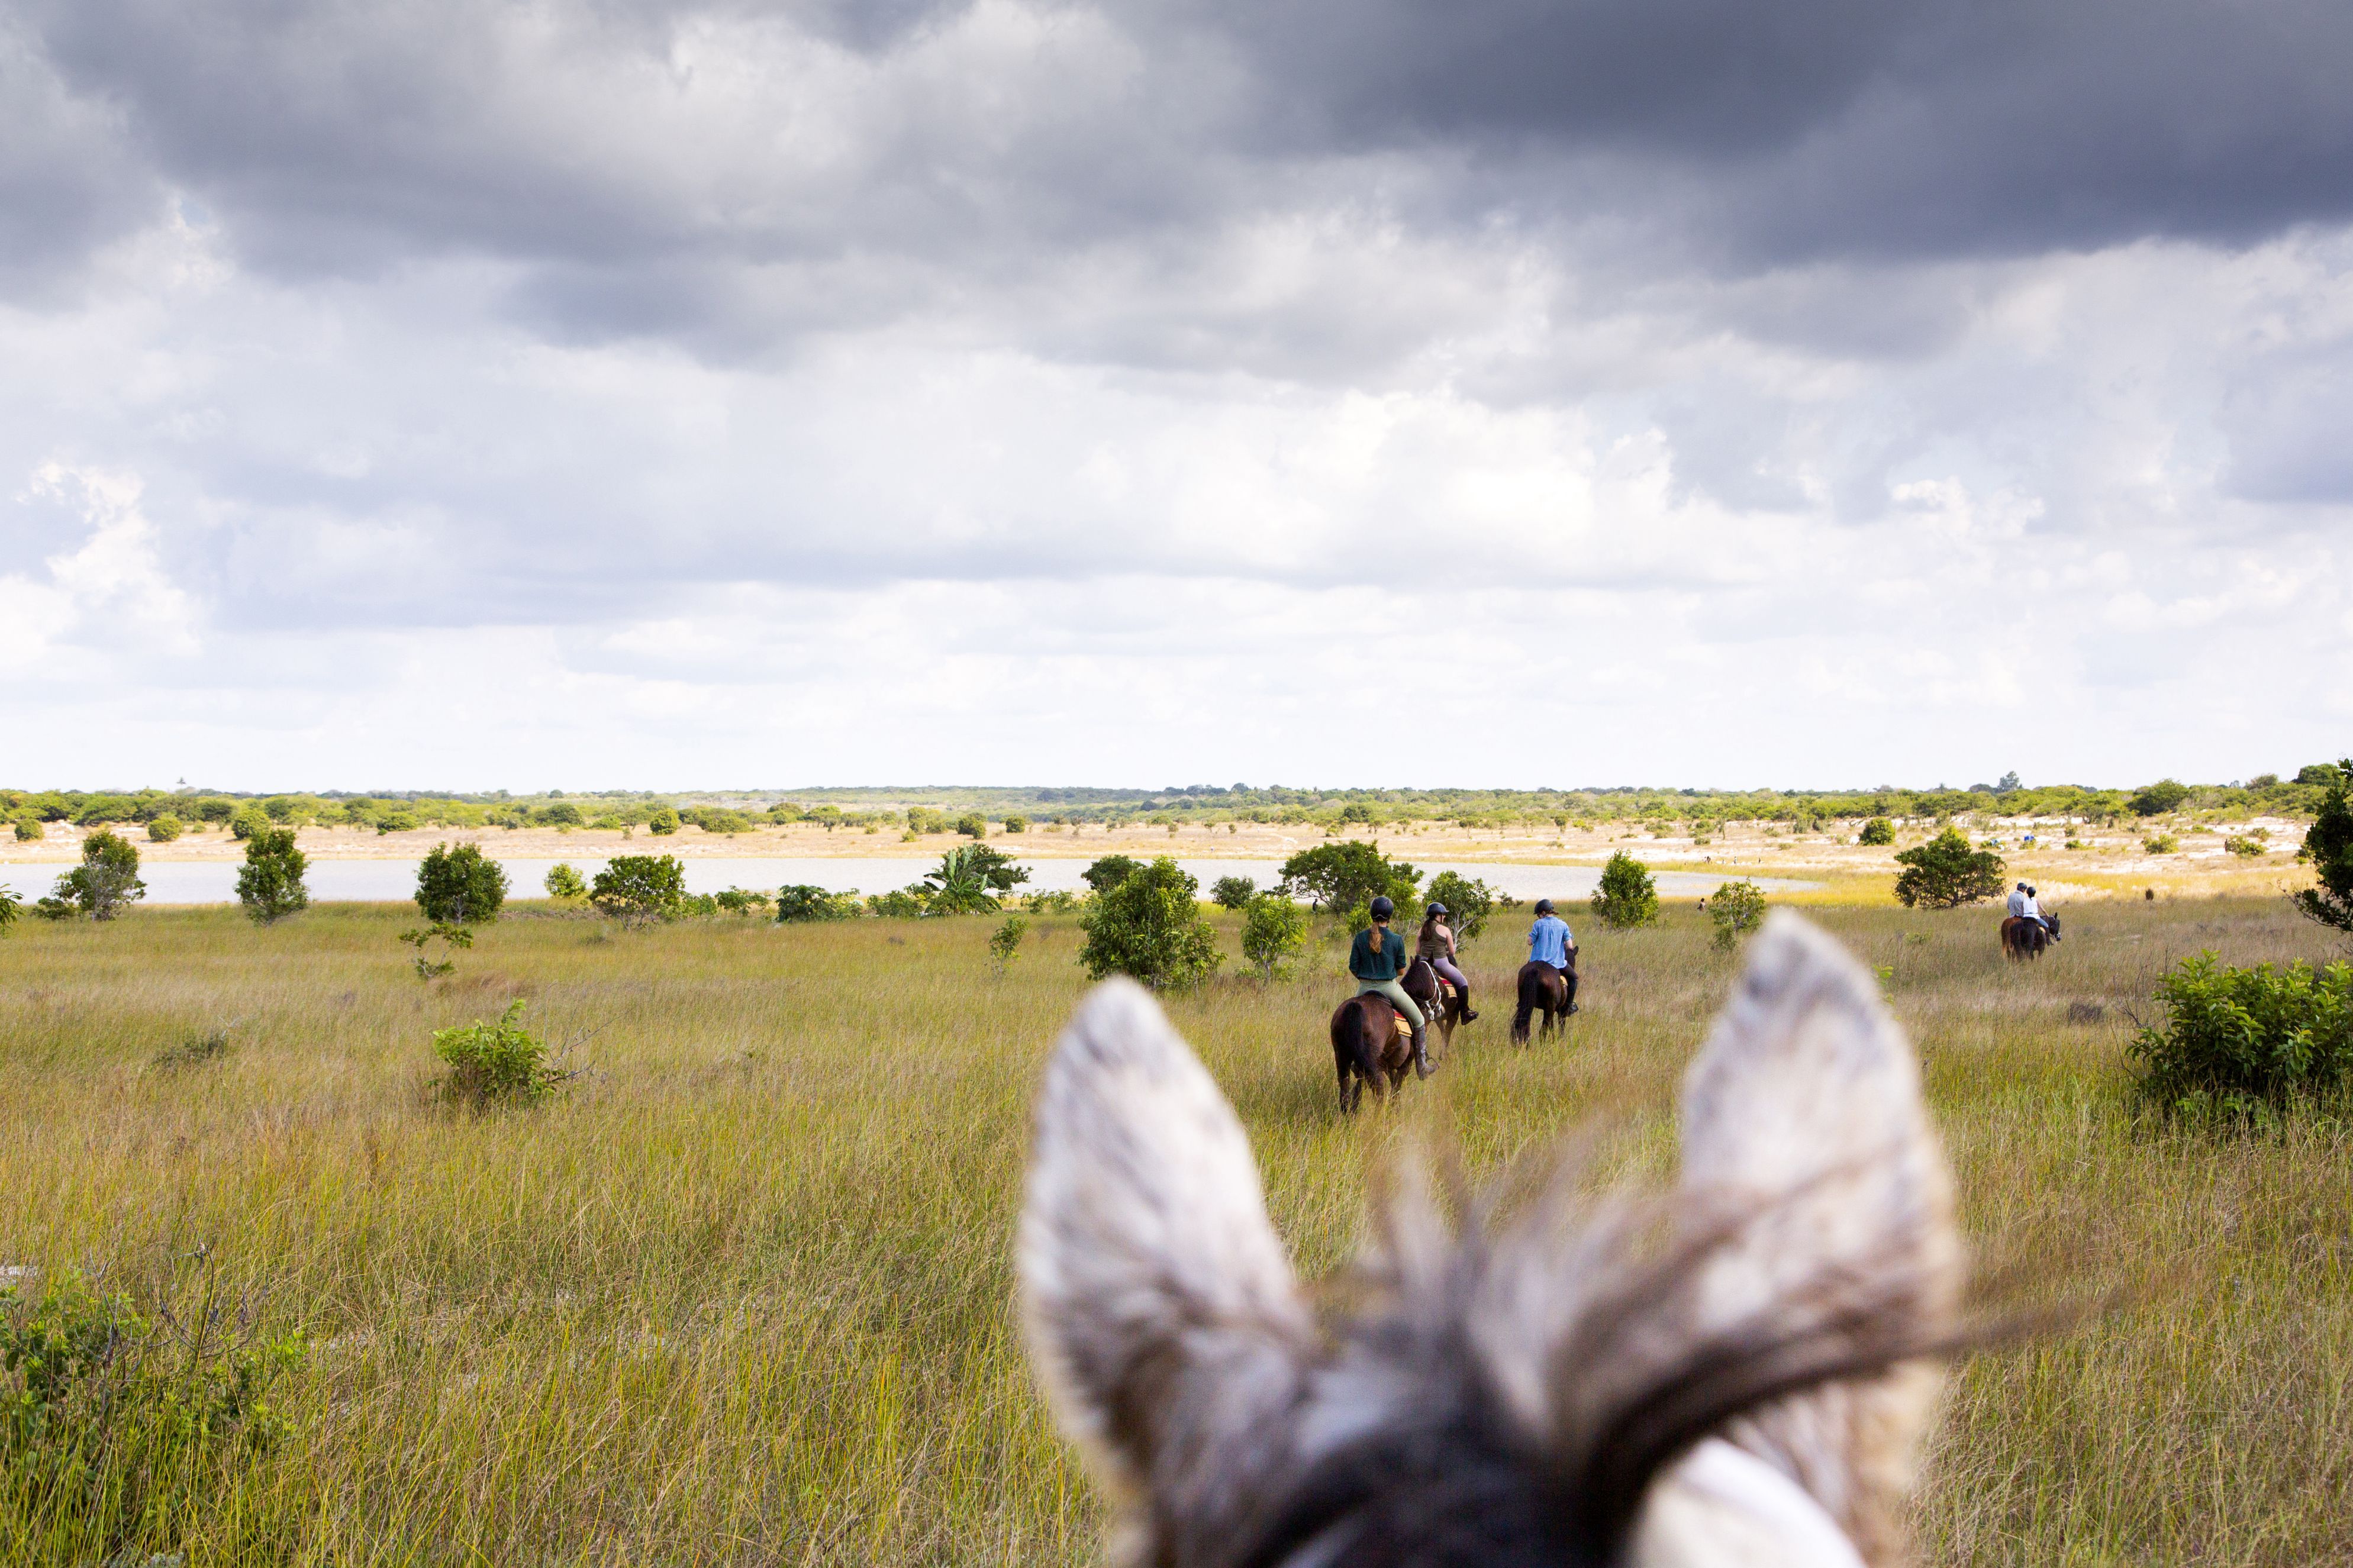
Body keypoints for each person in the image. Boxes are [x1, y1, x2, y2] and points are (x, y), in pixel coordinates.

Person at [1350, 895, 1433, 1079]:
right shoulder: (1396, 939)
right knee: (1419, 1020)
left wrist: (1367, 979)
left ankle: (1355, 1064)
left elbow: (1353, 968)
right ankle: (1422, 1067)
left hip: (1364, 988)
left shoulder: (1360, 937)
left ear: (1371, 914)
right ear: (1390, 916)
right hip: (1389, 987)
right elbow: (1402, 970)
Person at [1417, 902, 1479, 1024]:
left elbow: (1418, 950)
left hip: (1423, 964)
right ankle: (1465, 1013)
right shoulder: (1444, 929)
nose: (1444, 917)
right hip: (1441, 963)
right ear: (1437, 916)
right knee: (1463, 982)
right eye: (1443, 915)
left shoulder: (1421, 930)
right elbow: (1452, 951)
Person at [1527, 897, 1577, 980]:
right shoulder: (1563, 925)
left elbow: (1530, 942)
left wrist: (1530, 937)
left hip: (1536, 962)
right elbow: (1570, 946)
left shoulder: (1538, 924)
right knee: (1574, 978)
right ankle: (1571, 994)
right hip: (1557, 963)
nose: (1538, 916)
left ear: (1543, 913)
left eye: (1538, 914)